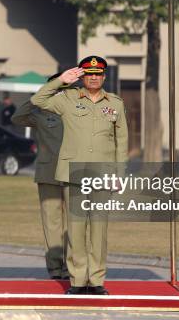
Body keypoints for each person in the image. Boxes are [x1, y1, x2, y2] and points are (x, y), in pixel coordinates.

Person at [31, 56, 128, 295]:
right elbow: (38, 99)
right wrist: (61, 81)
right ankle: (77, 280)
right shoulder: (66, 99)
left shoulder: (115, 103)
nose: (93, 77)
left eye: (98, 74)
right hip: (73, 173)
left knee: (98, 231)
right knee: (75, 230)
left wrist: (119, 174)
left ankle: (96, 280)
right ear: (82, 76)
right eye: (89, 73)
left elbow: (122, 141)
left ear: (104, 76)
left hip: (102, 174)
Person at [11, 73, 68, 280]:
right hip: (49, 172)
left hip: (75, 172)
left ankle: (72, 266)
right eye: (59, 87)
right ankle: (55, 267)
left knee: (75, 224)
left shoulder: (78, 110)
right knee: (52, 222)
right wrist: (46, 91)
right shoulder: (40, 113)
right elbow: (17, 116)